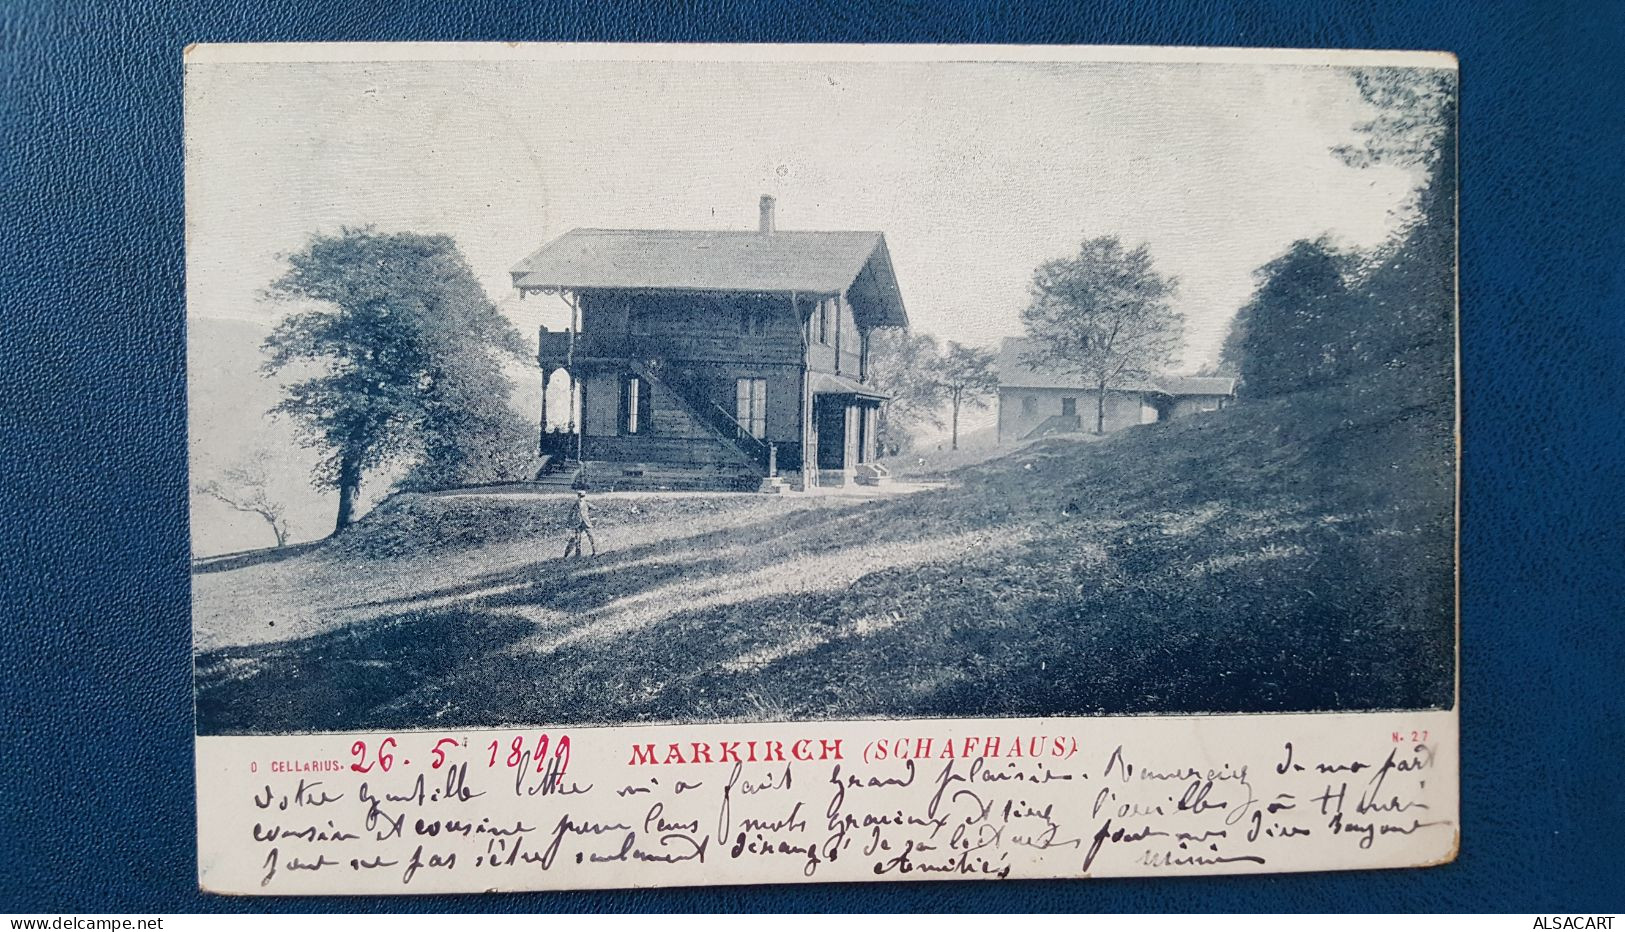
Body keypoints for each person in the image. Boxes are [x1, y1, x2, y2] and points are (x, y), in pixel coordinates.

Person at [563, 489, 597, 559]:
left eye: (583, 496)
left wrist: (592, 516)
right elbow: (571, 513)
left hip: (586, 523)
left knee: (591, 537)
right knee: (577, 539)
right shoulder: (575, 504)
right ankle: (578, 553)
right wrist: (569, 522)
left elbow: (595, 508)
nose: (581, 498)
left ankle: (594, 551)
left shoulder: (586, 503)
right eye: (580, 496)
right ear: (578, 496)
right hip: (578, 523)